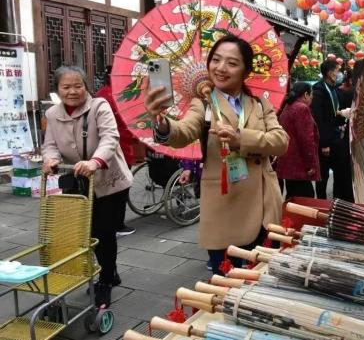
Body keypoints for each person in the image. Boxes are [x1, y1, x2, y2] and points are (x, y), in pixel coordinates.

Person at [143, 35, 288, 275]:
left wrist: (240, 138)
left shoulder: (260, 105)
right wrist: (161, 121)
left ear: (246, 70)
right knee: (228, 284)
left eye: (232, 63)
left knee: (264, 278)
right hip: (225, 206)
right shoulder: (203, 105)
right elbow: (184, 131)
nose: (221, 68)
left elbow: (281, 142)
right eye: (216, 60)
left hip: (265, 204)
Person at [42, 65, 133, 308]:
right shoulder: (52, 114)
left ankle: (105, 280)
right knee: (85, 232)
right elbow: (50, 144)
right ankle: (109, 272)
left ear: (85, 86)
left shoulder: (99, 106)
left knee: (104, 232)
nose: (72, 91)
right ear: (58, 89)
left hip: (108, 180)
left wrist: (95, 161)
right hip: (78, 182)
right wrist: (50, 159)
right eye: (66, 87)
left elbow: (110, 138)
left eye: (78, 85)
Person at [95, 66, 136, 236]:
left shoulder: (102, 93)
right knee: (120, 186)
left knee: (109, 186)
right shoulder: (114, 96)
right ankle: (117, 224)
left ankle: (108, 222)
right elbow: (126, 121)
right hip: (120, 146)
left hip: (106, 147)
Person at [310, 59, 354, 202]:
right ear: (329, 73)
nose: (339, 73)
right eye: (337, 70)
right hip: (325, 140)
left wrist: (341, 113)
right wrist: (324, 144)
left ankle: (338, 200)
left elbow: (333, 112)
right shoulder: (318, 91)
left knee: (341, 171)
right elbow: (319, 120)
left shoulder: (334, 89)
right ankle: (322, 202)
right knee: (323, 175)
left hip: (337, 137)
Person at [276, 82, 320, 198]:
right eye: (311, 95)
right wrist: (311, 164)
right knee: (304, 199)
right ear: (306, 94)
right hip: (299, 165)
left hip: (288, 164)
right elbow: (306, 139)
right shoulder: (301, 108)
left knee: (292, 198)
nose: (312, 98)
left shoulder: (288, 106)